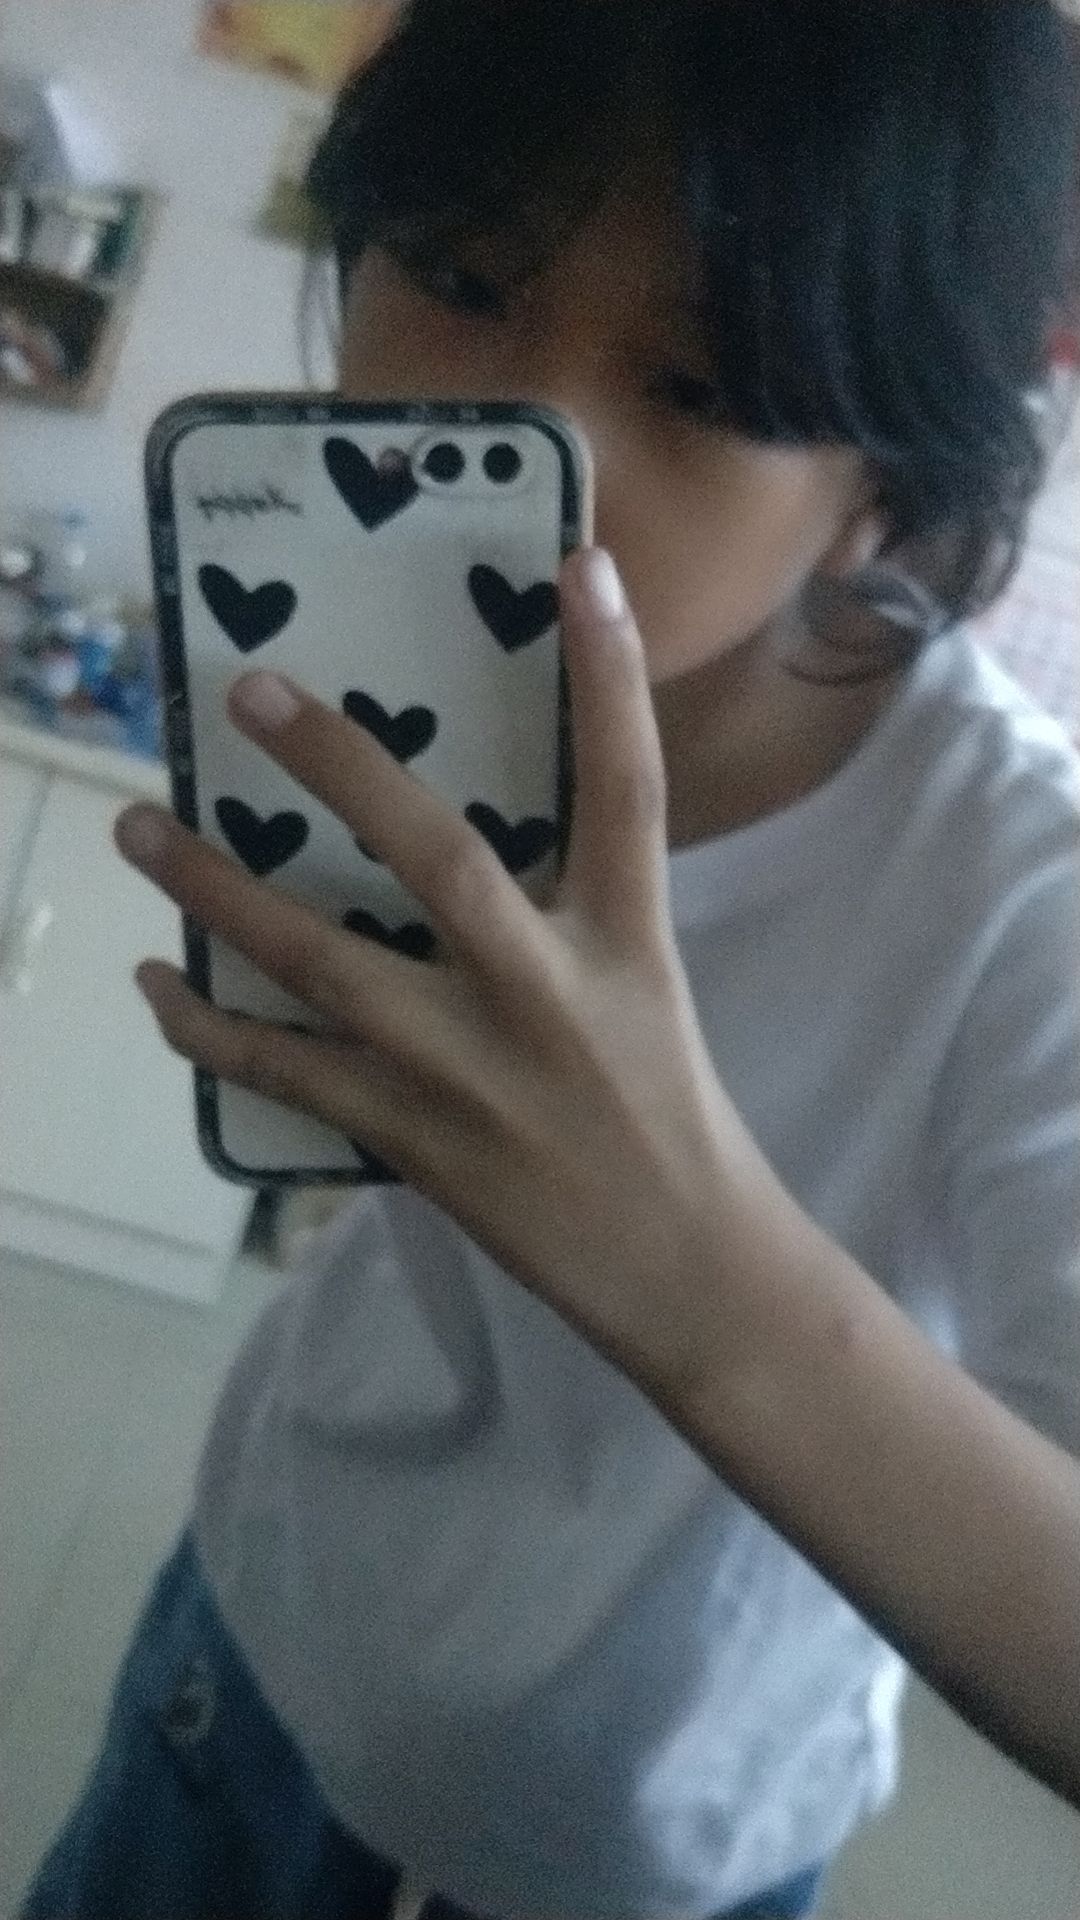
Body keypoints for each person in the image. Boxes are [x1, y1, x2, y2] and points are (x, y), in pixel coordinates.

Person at [21, 5, 1080, 1918]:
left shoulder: (1026, 893)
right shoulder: (377, 687)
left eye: (701, 386)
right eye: (461, 277)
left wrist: (688, 1257)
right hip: (246, 1651)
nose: (526, 453)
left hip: (647, 1853)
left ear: (882, 487)